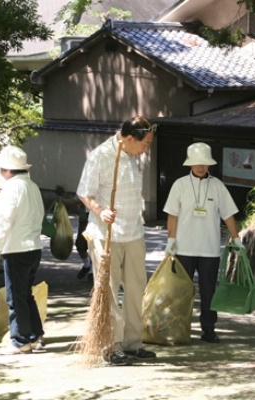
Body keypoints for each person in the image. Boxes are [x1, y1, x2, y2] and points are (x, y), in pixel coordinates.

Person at [76, 116, 157, 366]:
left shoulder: (134, 157)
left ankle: (133, 343)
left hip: (134, 232)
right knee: (109, 291)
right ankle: (111, 345)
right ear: (129, 138)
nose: (147, 149)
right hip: (106, 235)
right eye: (145, 143)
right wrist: (100, 211)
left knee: (136, 288)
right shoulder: (101, 155)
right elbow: (83, 192)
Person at [163, 142, 243, 344]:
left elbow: (229, 215)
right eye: (197, 163)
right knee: (182, 291)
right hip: (184, 247)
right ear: (190, 164)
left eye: (205, 163)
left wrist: (236, 238)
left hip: (209, 248)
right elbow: (172, 215)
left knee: (209, 291)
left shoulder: (217, 186)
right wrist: (171, 239)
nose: (201, 167)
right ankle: (179, 327)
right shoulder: (180, 185)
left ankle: (209, 329)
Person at [0, 145, 45, 355]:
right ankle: (36, 336)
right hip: (34, 247)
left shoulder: (11, 189)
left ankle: (21, 341)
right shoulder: (33, 186)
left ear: (6, 170)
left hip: (16, 250)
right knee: (25, 294)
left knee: (15, 297)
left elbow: (2, 222)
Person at [74, 198, 93, 281]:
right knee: (80, 245)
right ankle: (87, 265)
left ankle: (93, 271)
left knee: (94, 246)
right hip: (84, 221)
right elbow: (78, 198)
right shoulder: (84, 186)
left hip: (95, 221)